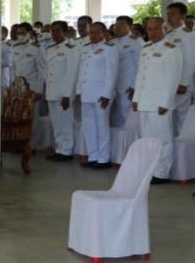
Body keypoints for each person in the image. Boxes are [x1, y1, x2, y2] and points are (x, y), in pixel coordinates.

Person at [132, 17, 183, 184]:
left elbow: (173, 78)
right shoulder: (146, 48)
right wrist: (136, 98)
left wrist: (165, 102)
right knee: (146, 138)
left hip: (159, 102)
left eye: (156, 29)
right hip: (144, 101)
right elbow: (141, 75)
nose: (152, 32)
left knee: (162, 139)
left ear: (164, 29)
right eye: (150, 29)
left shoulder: (171, 49)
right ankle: (150, 169)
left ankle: (162, 173)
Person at [76, 22, 118, 168]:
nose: (93, 36)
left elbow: (112, 73)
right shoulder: (86, 48)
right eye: (91, 33)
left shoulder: (110, 48)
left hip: (101, 94)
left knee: (102, 127)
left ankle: (104, 158)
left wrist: (107, 94)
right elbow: (82, 71)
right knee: (89, 127)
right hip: (86, 93)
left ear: (103, 33)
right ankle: (93, 156)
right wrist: (79, 91)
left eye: (96, 33)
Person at [43, 21, 80, 161]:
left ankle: (66, 151)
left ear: (65, 32)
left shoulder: (71, 48)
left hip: (63, 92)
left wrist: (67, 95)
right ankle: (59, 148)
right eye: (52, 31)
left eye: (57, 31)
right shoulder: (50, 49)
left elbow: (71, 73)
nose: (54, 34)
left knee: (65, 122)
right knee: (56, 123)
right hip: (52, 91)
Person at [165, 1, 195, 135]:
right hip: (169, 84)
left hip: (182, 85)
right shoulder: (168, 35)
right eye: (168, 14)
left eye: (173, 14)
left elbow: (190, 60)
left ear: (182, 16)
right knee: (169, 121)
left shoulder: (189, 35)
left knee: (182, 121)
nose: (169, 17)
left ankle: (183, 148)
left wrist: (184, 83)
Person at [111, 16, 143, 128]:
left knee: (128, 120)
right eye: (116, 25)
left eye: (121, 25)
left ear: (129, 27)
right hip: (114, 87)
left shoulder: (136, 41)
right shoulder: (112, 42)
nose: (117, 27)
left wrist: (135, 86)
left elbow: (141, 65)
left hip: (128, 88)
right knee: (115, 121)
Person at [11, 23, 45, 95]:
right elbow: (12, 69)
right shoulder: (14, 48)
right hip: (17, 87)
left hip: (32, 87)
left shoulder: (37, 49)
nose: (20, 35)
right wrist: (12, 85)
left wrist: (39, 91)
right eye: (18, 33)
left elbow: (42, 71)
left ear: (30, 33)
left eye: (22, 33)